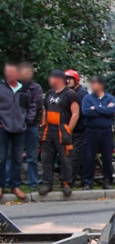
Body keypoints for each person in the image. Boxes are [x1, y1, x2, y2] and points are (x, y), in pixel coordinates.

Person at [40, 69, 80, 197]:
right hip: (49, 130)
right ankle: (47, 183)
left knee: (65, 158)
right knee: (47, 158)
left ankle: (66, 183)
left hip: (62, 130)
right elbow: (45, 111)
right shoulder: (49, 93)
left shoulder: (70, 94)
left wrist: (68, 130)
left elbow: (75, 114)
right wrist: (43, 126)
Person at [0, 63, 35, 200]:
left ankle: (15, 186)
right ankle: (1, 185)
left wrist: (26, 120)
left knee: (17, 158)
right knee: (1, 158)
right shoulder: (1, 88)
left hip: (19, 129)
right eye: (7, 72)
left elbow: (31, 107)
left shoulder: (25, 90)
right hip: (3, 128)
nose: (9, 75)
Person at [81, 75, 115, 190]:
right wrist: (103, 109)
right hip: (91, 131)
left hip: (106, 131)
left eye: (95, 83)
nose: (92, 86)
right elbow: (85, 112)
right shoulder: (87, 98)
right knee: (88, 156)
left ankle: (107, 181)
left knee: (107, 157)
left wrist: (95, 108)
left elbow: (112, 110)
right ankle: (87, 182)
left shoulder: (110, 98)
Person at [18, 62, 43, 191]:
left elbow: (37, 105)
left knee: (32, 156)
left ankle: (33, 183)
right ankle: (11, 183)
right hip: (15, 125)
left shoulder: (36, 88)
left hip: (31, 125)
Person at [65, 69, 88, 187]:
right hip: (70, 129)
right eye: (66, 79)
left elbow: (82, 112)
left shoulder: (82, 93)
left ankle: (70, 181)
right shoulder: (68, 93)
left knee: (75, 156)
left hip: (80, 130)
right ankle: (79, 179)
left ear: (76, 80)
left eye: (70, 79)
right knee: (71, 156)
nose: (67, 81)